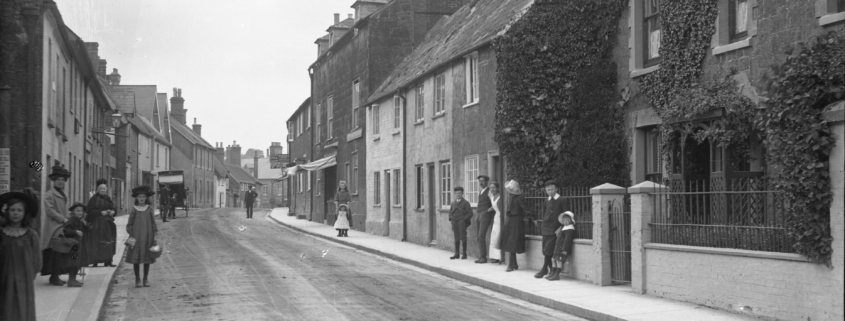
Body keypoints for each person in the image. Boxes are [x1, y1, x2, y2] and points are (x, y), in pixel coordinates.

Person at [0, 191, 42, 321]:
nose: (16, 213)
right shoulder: (1, 233)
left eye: (19, 210)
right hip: (3, 278)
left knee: (23, 308)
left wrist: (30, 275)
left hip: (24, 279)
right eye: (12, 210)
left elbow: (36, 260)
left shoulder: (31, 235)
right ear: (7, 212)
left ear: (25, 213)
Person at [40, 164, 72, 286]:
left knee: (60, 251)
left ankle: (56, 275)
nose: (60, 182)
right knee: (55, 252)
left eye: (62, 180)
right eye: (58, 179)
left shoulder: (63, 194)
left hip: (61, 225)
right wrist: (63, 219)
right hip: (53, 226)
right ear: (53, 180)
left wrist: (68, 218)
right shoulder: (49, 194)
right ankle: (54, 277)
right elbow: (49, 210)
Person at [125, 186, 158, 288]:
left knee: (147, 257)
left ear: (146, 198)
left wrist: (154, 234)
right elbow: (129, 224)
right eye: (140, 197)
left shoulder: (149, 209)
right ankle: (137, 279)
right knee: (136, 258)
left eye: (143, 197)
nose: (142, 199)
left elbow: (153, 223)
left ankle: (145, 278)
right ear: (136, 198)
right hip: (136, 237)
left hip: (148, 237)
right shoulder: (134, 209)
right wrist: (132, 233)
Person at [535, 180, 568, 279]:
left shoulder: (562, 199)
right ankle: (549, 270)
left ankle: (545, 268)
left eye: (552, 189)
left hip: (555, 229)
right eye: (548, 190)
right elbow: (545, 213)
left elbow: (566, 215)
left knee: (549, 249)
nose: (550, 191)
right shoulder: (546, 200)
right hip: (546, 228)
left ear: (556, 189)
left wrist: (561, 227)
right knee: (545, 249)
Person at [85, 179, 117, 267]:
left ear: (106, 189)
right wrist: (100, 212)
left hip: (107, 224)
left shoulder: (108, 199)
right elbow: (89, 211)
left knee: (108, 241)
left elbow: (113, 208)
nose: (103, 190)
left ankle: (108, 261)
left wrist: (113, 211)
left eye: (104, 188)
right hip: (96, 223)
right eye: (101, 189)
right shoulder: (93, 199)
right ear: (97, 190)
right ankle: (95, 261)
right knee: (96, 242)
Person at [500, 180, 528, 272]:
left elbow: (525, 208)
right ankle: (514, 263)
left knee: (512, 242)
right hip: (510, 220)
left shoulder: (519, 198)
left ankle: (511, 265)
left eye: (510, 190)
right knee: (510, 241)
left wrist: (531, 217)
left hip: (516, 220)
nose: (509, 192)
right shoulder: (512, 197)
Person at [547, 211, 576, 281]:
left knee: (559, 260)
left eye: (567, 220)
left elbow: (567, 240)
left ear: (571, 221)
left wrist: (565, 250)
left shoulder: (569, 229)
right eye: (564, 220)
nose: (565, 222)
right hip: (557, 247)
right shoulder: (563, 228)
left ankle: (557, 275)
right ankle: (552, 273)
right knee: (553, 259)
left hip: (562, 249)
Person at [474, 175, 494, 264]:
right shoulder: (481, 191)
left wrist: (487, 211)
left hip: (485, 215)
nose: (481, 183)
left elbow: (494, 203)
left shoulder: (489, 191)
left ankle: (483, 257)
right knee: (478, 236)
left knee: (481, 235)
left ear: (486, 182)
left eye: (483, 181)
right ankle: (481, 256)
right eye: (480, 181)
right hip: (478, 214)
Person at [449, 186, 472, 260]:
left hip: (462, 222)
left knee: (463, 237)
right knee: (456, 237)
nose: (458, 194)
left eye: (460, 193)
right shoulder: (453, 203)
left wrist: (464, 220)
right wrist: (451, 218)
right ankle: (457, 253)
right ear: (455, 194)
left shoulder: (465, 203)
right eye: (456, 193)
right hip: (454, 221)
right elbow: (450, 212)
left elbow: (470, 213)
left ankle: (464, 254)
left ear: (462, 194)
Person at [486, 182, 504, 264]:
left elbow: (501, 209)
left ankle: (500, 257)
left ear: (497, 188)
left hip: (500, 217)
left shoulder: (500, 197)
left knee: (498, 236)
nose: (492, 189)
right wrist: (487, 210)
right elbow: (493, 207)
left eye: (493, 187)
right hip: (496, 217)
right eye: (490, 188)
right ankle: (494, 256)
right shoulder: (492, 196)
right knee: (493, 235)